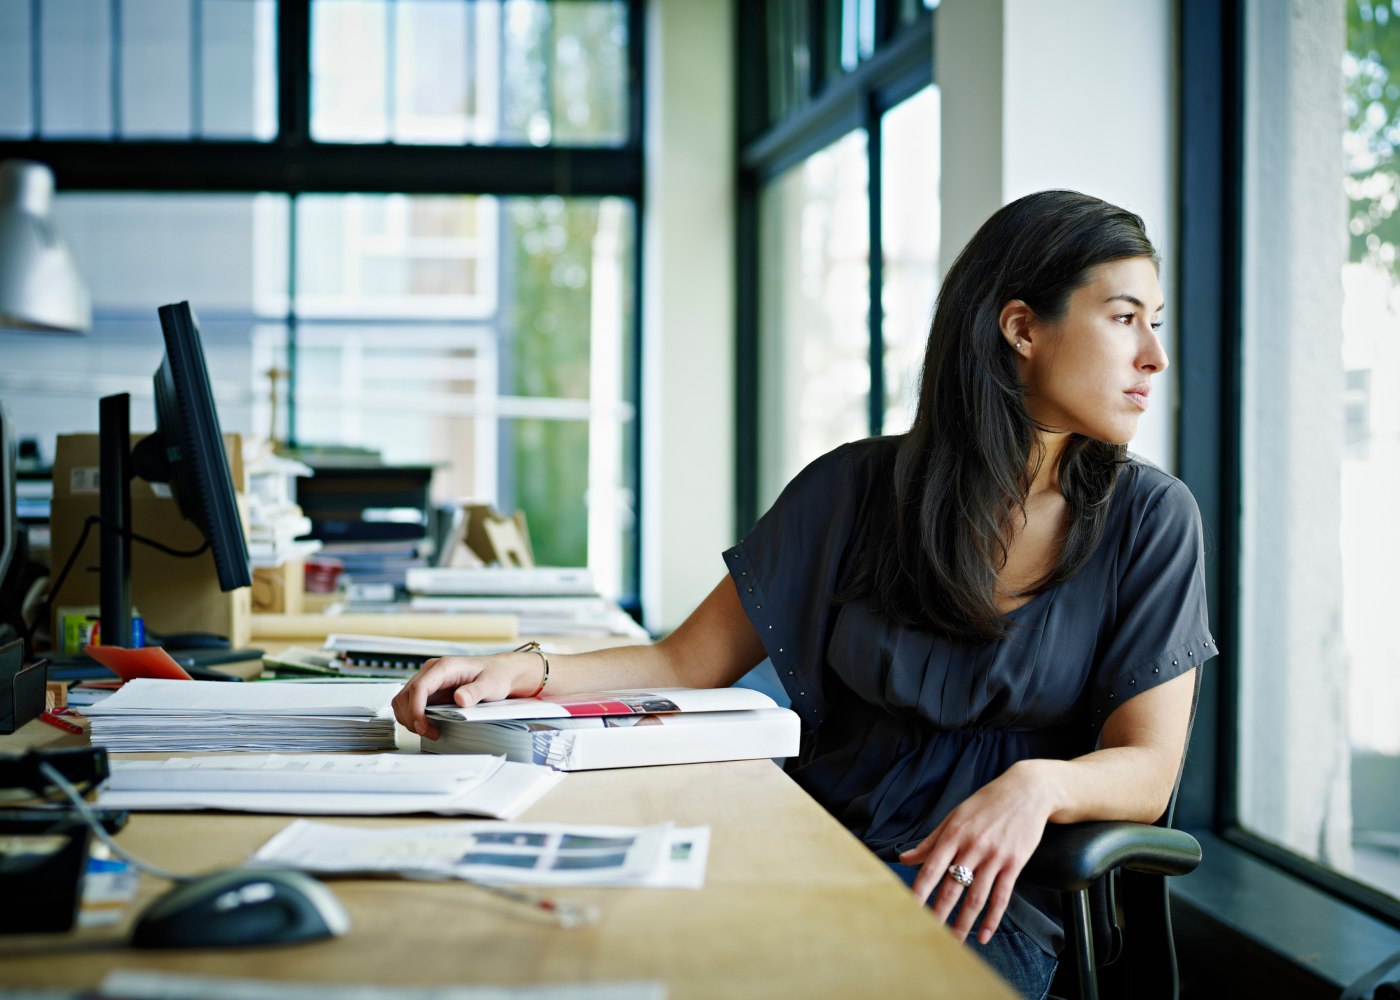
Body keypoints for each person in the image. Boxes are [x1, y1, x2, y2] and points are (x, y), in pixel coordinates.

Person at [393, 189, 1217, 1000]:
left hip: (980, 902)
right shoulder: (855, 488)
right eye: (1124, 318)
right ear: (1021, 328)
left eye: (1156, 321)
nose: (1154, 354)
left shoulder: (1151, 520)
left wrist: (1041, 784)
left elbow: (1146, 768)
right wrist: (521, 671)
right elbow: (686, 660)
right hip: (804, 848)